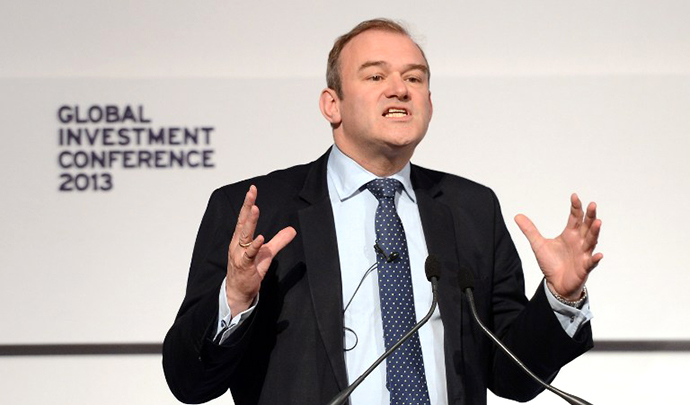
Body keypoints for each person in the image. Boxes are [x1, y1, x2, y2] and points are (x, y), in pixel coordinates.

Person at [163, 18, 602, 405]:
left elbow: (513, 378)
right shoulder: (259, 211)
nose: (399, 88)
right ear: (331, 104)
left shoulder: (472, 209)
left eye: (415, 78)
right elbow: (189, 382)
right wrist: (235, 299)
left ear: (429, 103)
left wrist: (559, 299)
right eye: (375, 76)